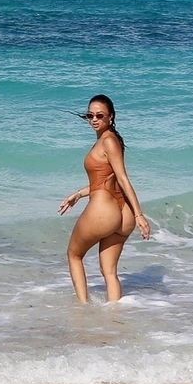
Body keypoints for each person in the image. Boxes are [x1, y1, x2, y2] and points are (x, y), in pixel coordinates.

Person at [57, 94, 151, 303]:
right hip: (122, 214)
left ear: (111, 117)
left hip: (105, 211)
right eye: (90, 115)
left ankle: (83, 310)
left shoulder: (107, 141)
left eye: (100, 115)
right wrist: (79, 194)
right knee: (109, 272)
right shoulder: (112, 140)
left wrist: (139, 215)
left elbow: (123, 178)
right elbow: (106, 180)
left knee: (74, 255)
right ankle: (114, 316)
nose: (94, 119)